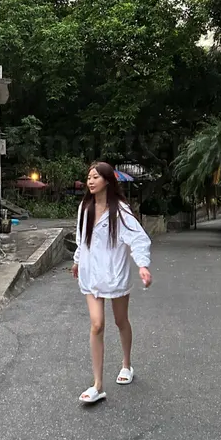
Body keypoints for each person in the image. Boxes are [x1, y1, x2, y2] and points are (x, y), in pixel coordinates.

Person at [72, 162, 152, 404]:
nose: (90, 181)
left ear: (107, 180)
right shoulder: (85, 207)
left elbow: (138, 239)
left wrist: (143, 265)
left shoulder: (120, 211)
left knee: (120, 320)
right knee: (97, 324)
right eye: (89, 177)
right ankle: (98, 385)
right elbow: (81, 239)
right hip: (91, 275)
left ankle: (127, 365)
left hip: (114, 274)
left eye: (95, 177)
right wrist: (77, 261)